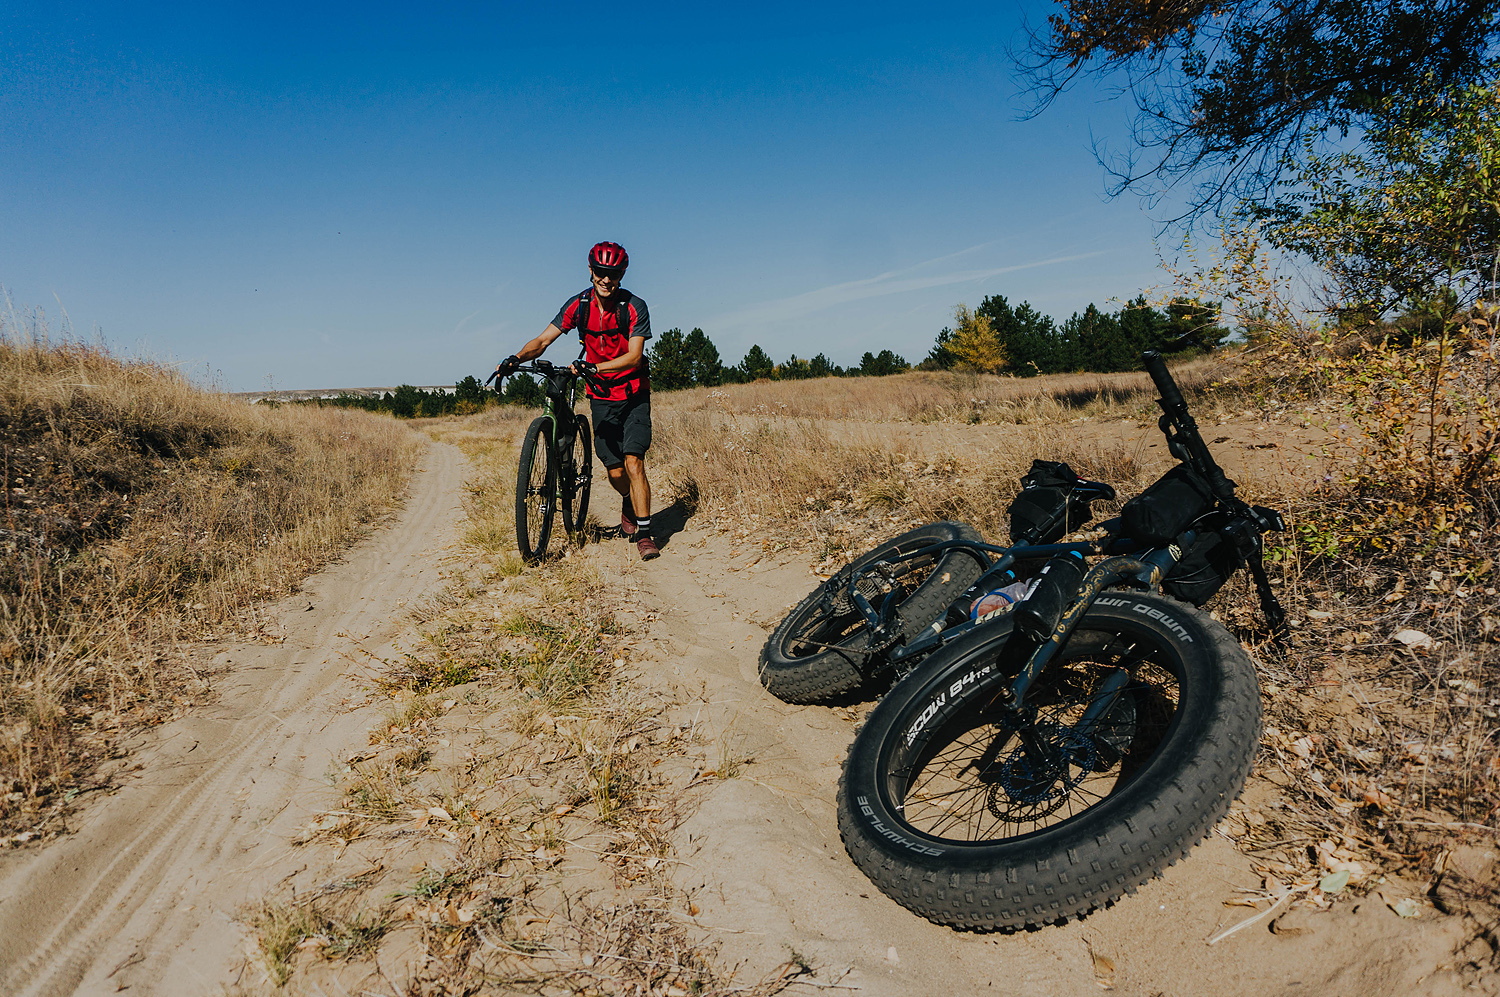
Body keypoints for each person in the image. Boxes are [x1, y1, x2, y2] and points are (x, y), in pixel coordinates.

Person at [496, 242, 659, 560]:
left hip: (634, 394)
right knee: (614, 472)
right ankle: (629, 501)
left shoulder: (634, 306)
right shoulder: (579, 306)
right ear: (590, 271)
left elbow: (635, 356)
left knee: (634, 462)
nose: (606, 280)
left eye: (612, 274)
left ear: (622, 274)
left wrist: (594, 366)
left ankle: (645, 533)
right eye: (600, 273)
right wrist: (515, 358)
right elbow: (543, 340)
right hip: (601, 395)